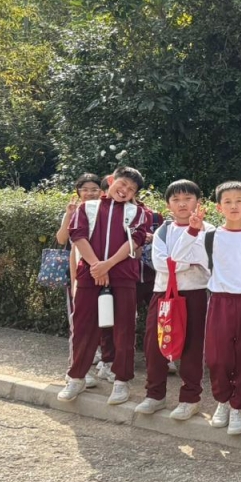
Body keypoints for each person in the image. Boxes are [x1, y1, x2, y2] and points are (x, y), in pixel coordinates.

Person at [172, 181, 241, 435]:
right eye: (227, 201)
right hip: (219, 301)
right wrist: (192, 230)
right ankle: (222, 401)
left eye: (239, 201)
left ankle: (237, 407)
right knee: (217, 358)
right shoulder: (210, 237)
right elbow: (178, 256)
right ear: (219, 207)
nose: (233, 206)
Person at [57, 166, 153, 405]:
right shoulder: (86, 208)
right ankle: (76, 377)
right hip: (89, 274)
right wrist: (96, 265)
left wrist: (107, 265)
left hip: (123, 275)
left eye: (131, 189)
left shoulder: (139, 213)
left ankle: (121, 381)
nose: (125, 190)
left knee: (124, 329)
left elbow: (135, 241)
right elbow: (77, 235)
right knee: (83, 327)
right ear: (111, 181)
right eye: (122, 184)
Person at [134, 180, 211, 420]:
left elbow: (208, 264)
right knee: (155, 344)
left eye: (188, 199)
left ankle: (190, 399)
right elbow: (161, 265)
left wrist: (177, 260)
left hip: (195, 292)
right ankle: (154, 395)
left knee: (192, 347)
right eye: (176, 200)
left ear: (198, 202)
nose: (182, 204)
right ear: (168, 205)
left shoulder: (209, 231)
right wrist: (188, 260)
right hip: (163, 293)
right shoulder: (163, 231)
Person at [55, 174, 104, 387]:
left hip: (101, 272)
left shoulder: (106, 211)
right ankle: (73, 369)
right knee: (78, 323)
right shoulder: (74, 211)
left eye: (94, 189)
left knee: (101, 320)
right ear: (78, 192)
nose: (90, 193)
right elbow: (61, 239)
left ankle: (95, 360)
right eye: (85, 189)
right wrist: (68, 215)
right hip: (78, 273)